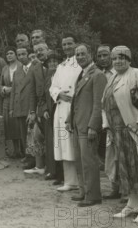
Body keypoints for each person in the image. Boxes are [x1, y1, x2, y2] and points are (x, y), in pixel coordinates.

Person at [103, 46, 138, 223]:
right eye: (115, 58)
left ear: (129, 59)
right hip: (117, 132)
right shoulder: (112, 78)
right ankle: (132, 204)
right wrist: (107, 127)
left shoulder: (137, 74)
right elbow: (104, 104)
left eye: (122, 57)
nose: (118, 61)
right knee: (125, 168)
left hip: (134, 129)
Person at [65, 44, 106, 207]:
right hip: (77, 124)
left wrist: (93, 126)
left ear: (90, 54)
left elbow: (99, 104)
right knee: (80, 161)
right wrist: (69, 119)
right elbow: (76, 100)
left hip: (88, 126)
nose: (80, 57)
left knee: (89, 161)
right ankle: (83, 191)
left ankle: (93, 195)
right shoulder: (82, 74)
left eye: (83, 53)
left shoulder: (98, 75)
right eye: (77, 54)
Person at [49, 34, 81, 192]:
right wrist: (58, 94)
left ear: (75, 44)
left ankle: (80, 181)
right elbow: (52, 86)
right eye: (64, 44)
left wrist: (72, 97)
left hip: (73, 108)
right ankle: (69, 181)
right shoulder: (61, 66)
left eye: (70, 43)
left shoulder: (81, 63)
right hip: (60, 107)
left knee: (74, 145)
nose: (67, 47)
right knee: (63, 145)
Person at [96, 44, 121, 200]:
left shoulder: (120, 72)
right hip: (103, 118)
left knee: (121, 154)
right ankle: (115, 186)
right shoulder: (98, 74)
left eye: (105, 55)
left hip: (120, 118)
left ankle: (126, 188)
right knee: (109, 154)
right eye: (99, 56)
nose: (103, 58)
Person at [23, 43, 51, 175]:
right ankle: (40, 167)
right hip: (40, 108)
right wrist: (32, 111)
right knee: (37, 136)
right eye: (36, 51)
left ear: (48, 50)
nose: (39, 53)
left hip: (53, 106)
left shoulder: (55, 65)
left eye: (41, 50)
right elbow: (32, 92)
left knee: (52, 140)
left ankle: (53, 169)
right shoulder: (35, 68)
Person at [43, 51, 64, 183]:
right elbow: (44, 95)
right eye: (50, 62)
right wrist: (44, 108)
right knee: (52, 144)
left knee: (62, 142)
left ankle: (63, 175)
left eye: (55, 61)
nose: (52, 64)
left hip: (60, 110)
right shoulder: (48, 76)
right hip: (50, 112)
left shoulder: (63, 75)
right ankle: (54, 171)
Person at [9, 47, 32, 162]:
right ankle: (27, 156)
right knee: (23, 133)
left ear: (28, 54)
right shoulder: (17, 72)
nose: (22, 56)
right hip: (19, 106)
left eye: (24, 54)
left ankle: (35, 158)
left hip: (30, 105)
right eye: (19, 55)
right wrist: (12, 108)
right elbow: (13, 90)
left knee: (32, 133)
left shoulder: (35, 68)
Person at [0, 47, 21, 157]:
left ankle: (21, 151)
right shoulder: (5, 68)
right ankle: (13, 150)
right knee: (8, 124)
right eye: (7, 53)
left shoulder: (21, 66)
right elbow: (0, 83)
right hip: (7, 99)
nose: (9, 55)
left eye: (11, 53)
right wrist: (3, 89)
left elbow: (24, 84)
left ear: (16, 55)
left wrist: (12, 89)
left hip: (19, 99)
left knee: (18, 124)